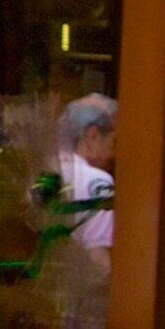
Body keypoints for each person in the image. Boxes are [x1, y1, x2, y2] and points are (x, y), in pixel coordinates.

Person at [59, 93, 119, 257]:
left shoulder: (46, 170)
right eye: (114, 143)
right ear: (93, 136)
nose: (115, 155)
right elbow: (99, 260)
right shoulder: (98, 182)